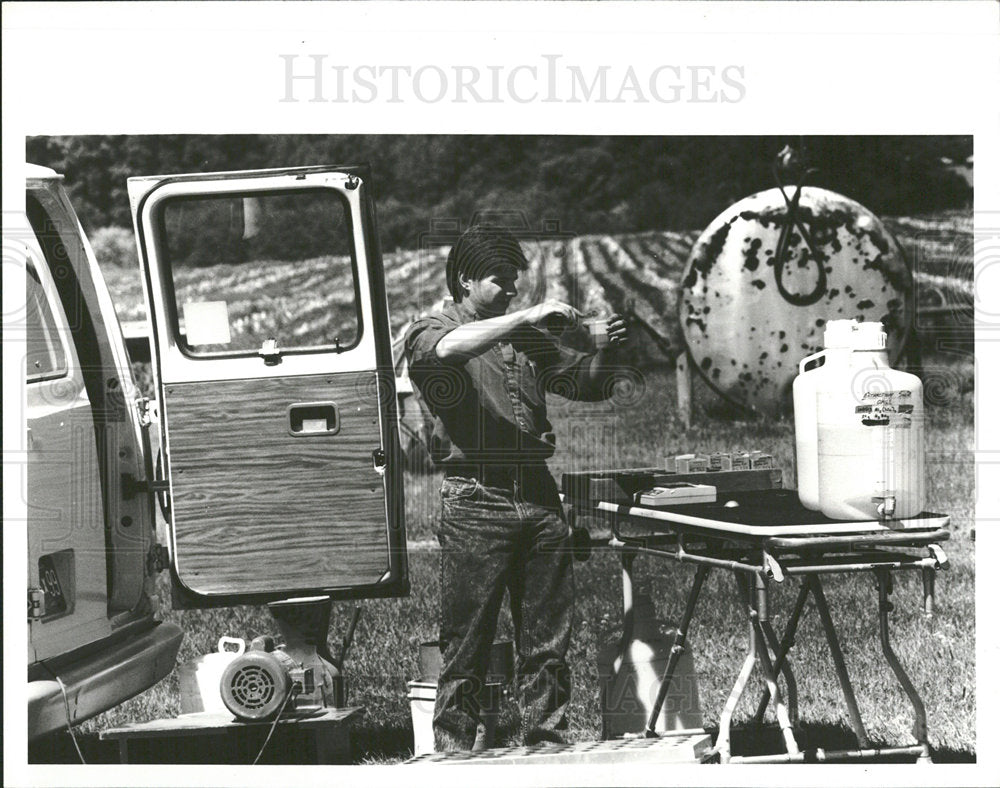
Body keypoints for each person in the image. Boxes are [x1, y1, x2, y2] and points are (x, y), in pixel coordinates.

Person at [403, 223, 631, 750]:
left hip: (537, 492)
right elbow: (445, 352)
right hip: (475, 499)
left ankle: (546, 743)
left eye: (515, 282)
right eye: (499, 281)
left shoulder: (524, 338)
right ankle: (454, 751)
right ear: (464, 280)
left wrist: (603, 347)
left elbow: (585, 385)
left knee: (548, 639)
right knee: (467, 643)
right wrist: (525, 316)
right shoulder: (430, 328)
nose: (511, 290)